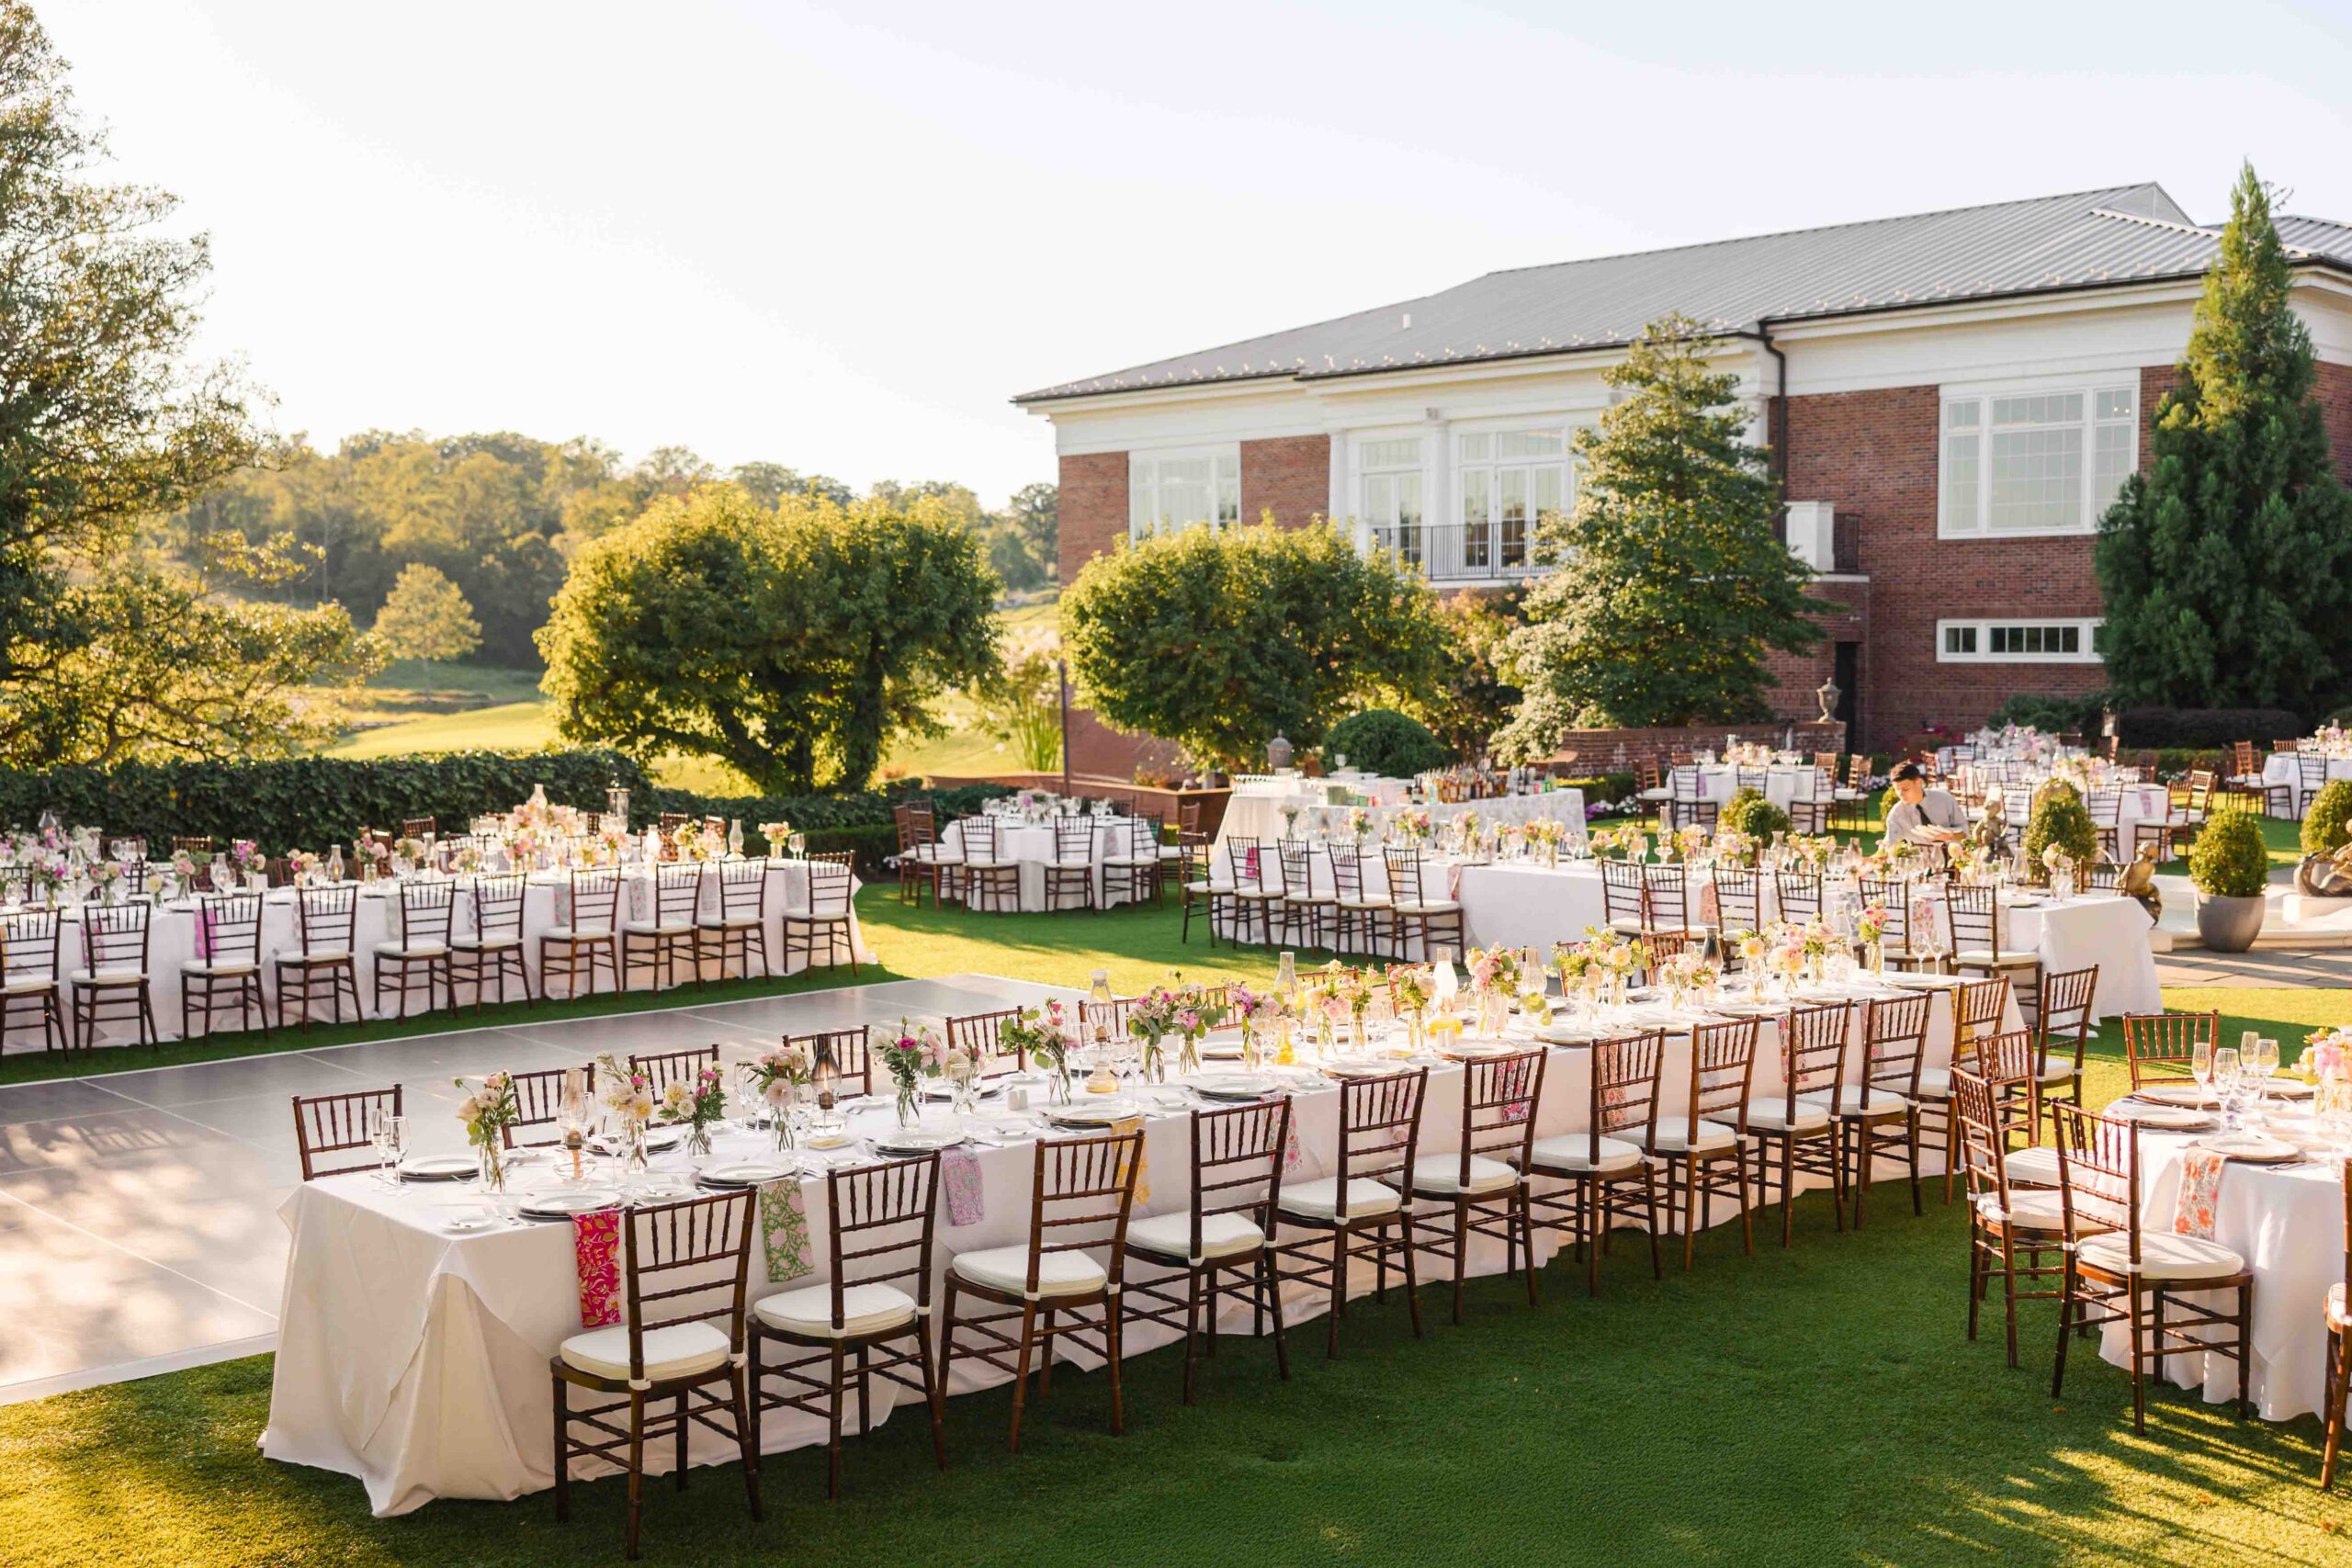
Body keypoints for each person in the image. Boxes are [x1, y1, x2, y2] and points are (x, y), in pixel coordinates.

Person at [1882, 761, 1971, 846]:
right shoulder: (1897, 814)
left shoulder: (1945, 800)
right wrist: (1879, 855)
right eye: (1897, 789)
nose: (1901, 794)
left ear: (1919, 783)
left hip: (1951, 857)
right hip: (1918, 860)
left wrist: (1950, 836)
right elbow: (1890, 843)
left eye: (1906, 789)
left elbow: (1965, 832)